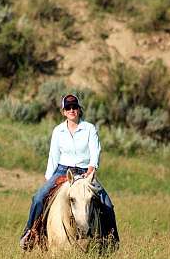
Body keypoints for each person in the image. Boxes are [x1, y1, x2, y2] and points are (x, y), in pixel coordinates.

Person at [19, 94, 117, 248]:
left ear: (79, 109)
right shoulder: (58, 131)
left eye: (74, 107)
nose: (72, 110)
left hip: (86, 173)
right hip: (62, 171)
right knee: (38, 198)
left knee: (107, 204)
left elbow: (95, 151)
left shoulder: (90, 129)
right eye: (68, 108)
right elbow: (53, 156)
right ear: (63, 111)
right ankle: (29, 233)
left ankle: (111, 240)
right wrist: (48, 179)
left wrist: (92, 168)